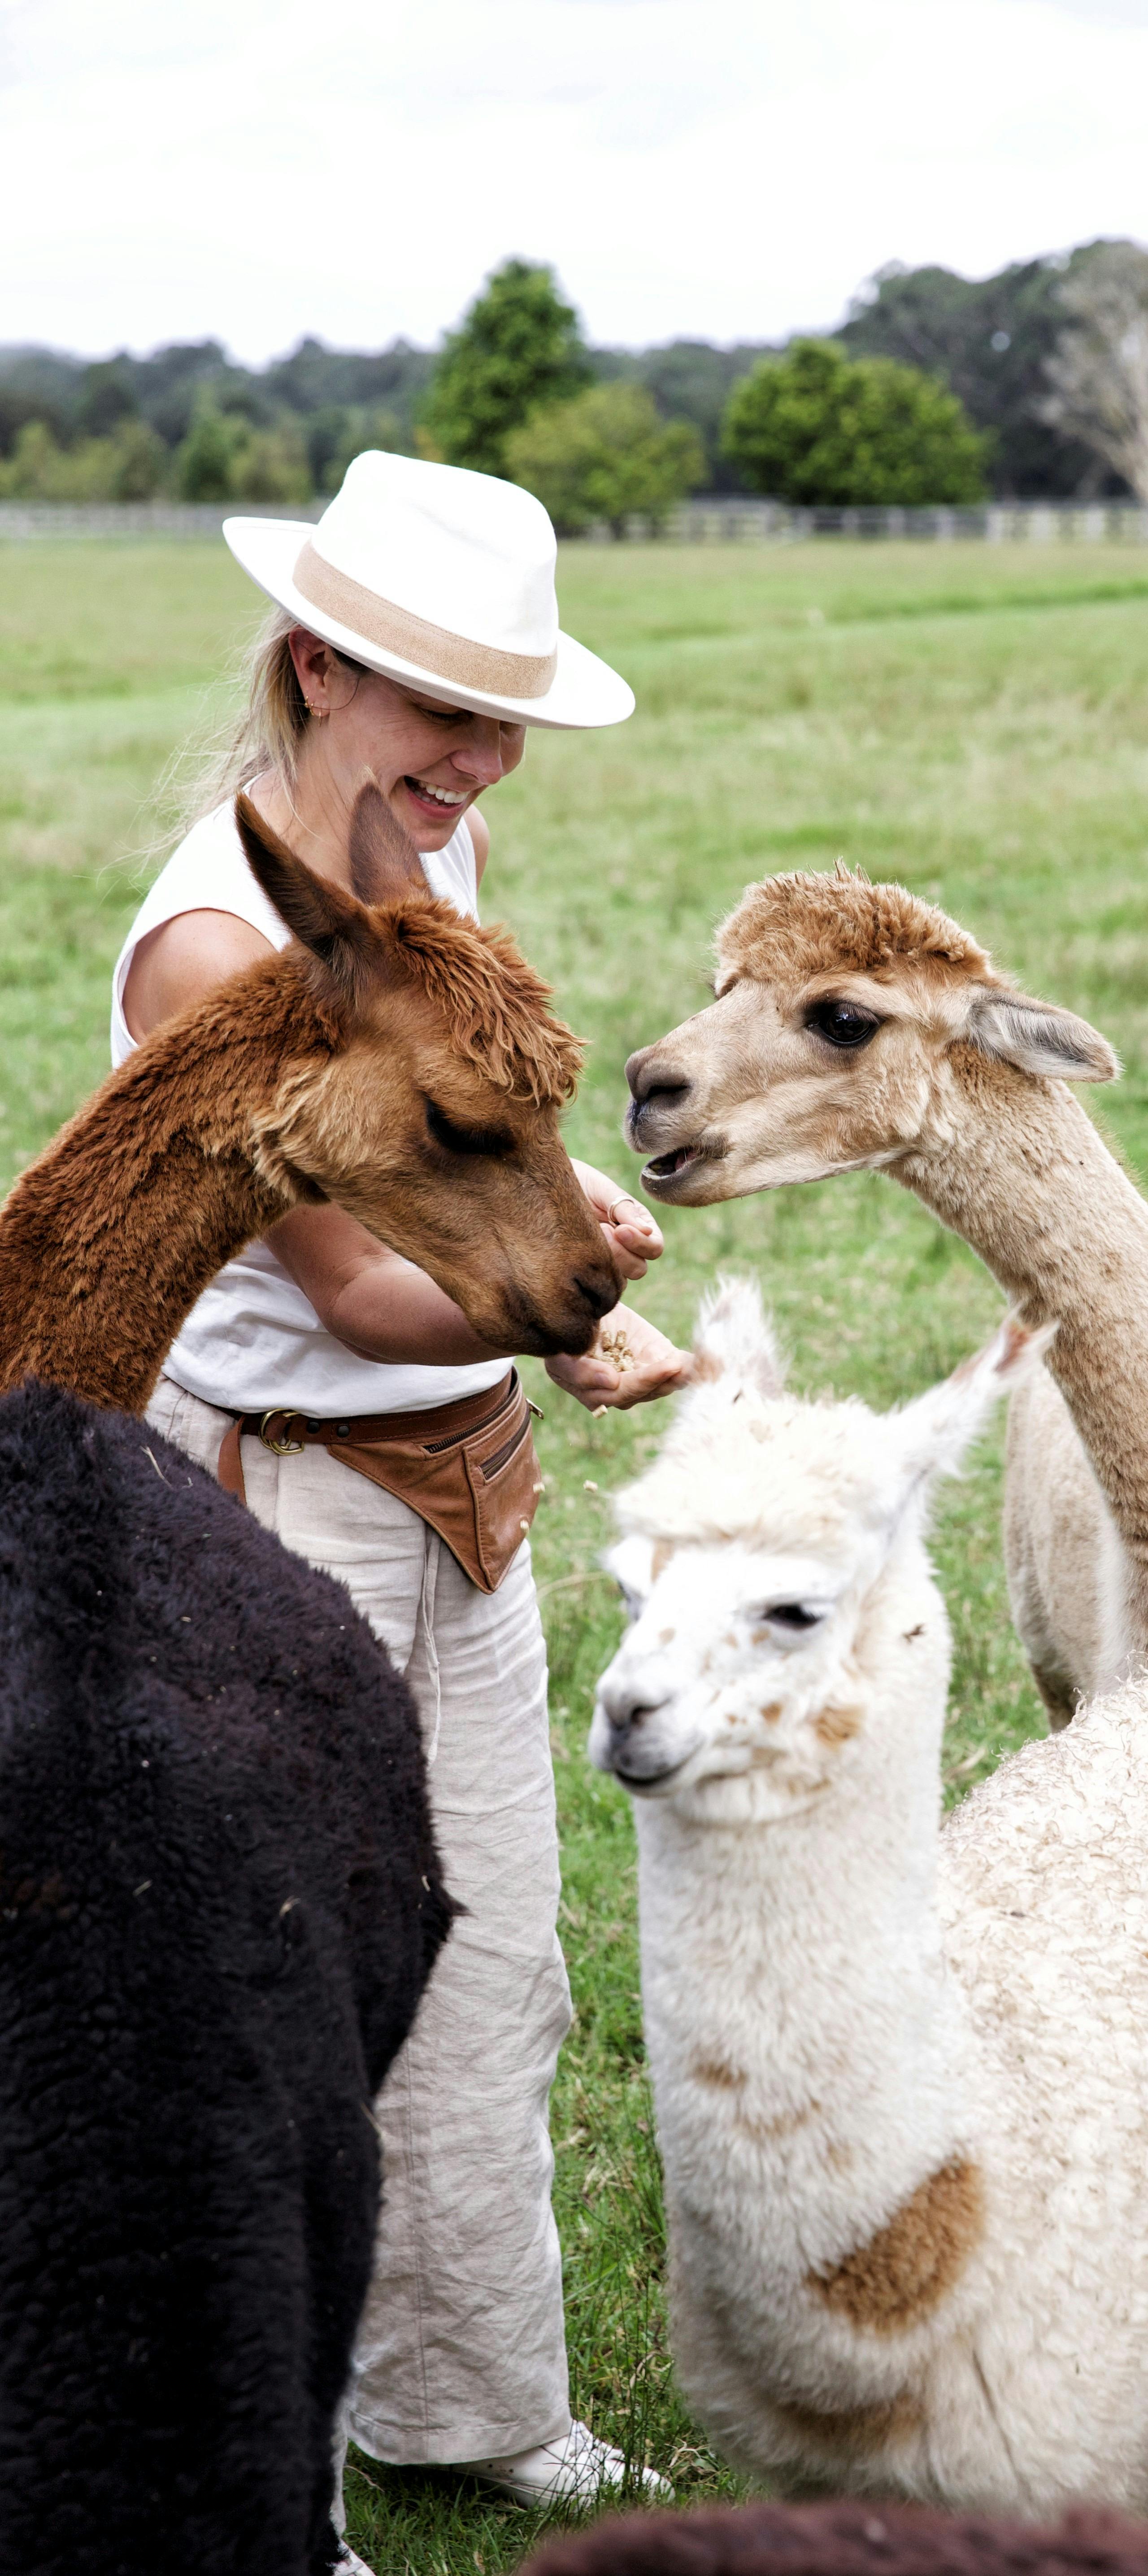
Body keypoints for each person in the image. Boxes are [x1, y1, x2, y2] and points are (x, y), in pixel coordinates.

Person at [114, 452, 686, 2545]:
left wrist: (567, 1221)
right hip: (286, 1510)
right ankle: (277, 2481)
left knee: (492, 1963)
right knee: (281, 1998)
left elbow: (461, 1155)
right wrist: (571, 1303)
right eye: (444, 707)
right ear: (315, 668)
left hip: (463, 1488)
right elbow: (355, 1289)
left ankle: (469, 2404)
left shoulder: (429, 861)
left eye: (503, 711)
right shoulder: (213, 946)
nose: (480, 756)